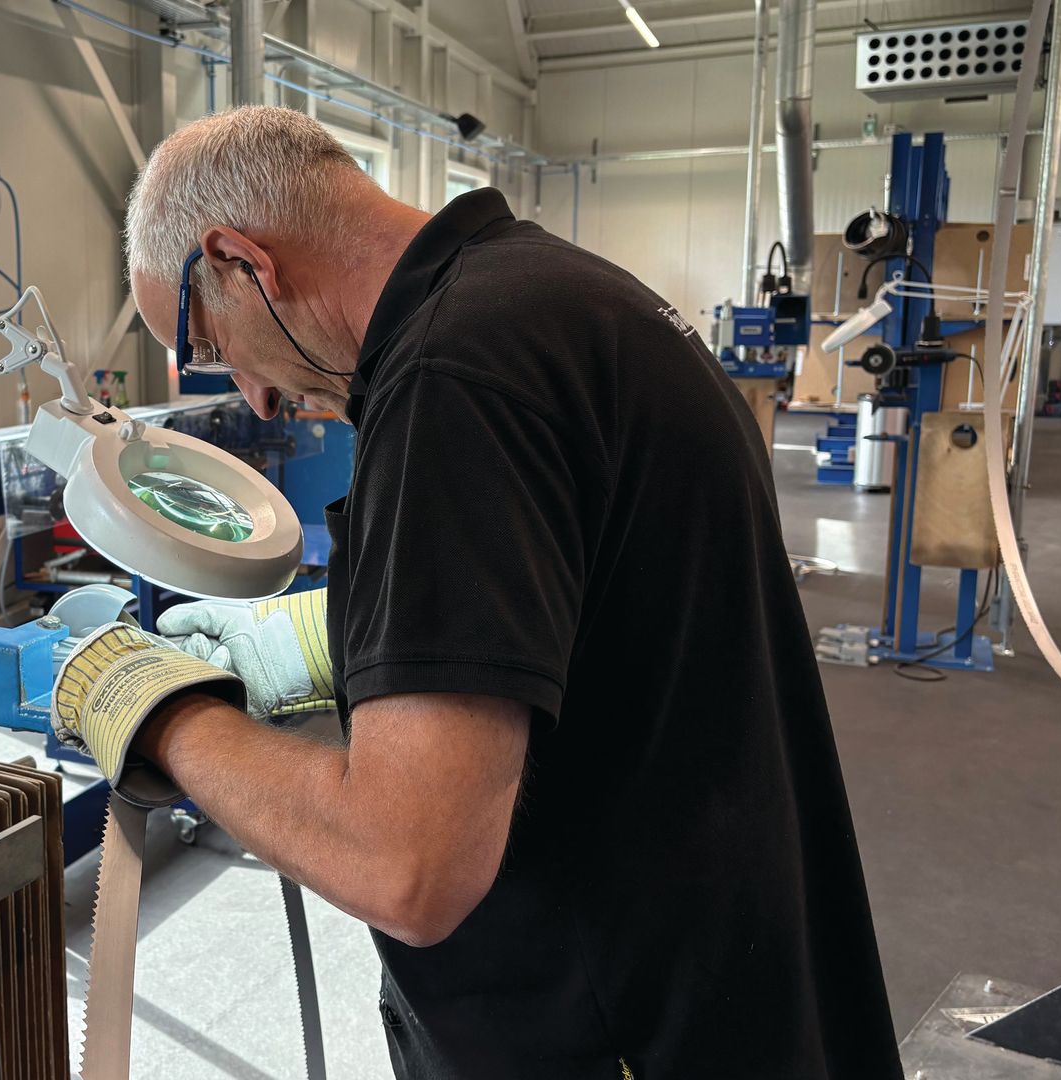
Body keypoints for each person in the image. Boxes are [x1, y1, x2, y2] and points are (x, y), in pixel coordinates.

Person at [49, 105, 903, 1079]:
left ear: (242, 260)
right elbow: (599, 603)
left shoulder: (454, 385)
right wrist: (346, 637)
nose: (252, 396)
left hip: (613, 1026)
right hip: (718, 973)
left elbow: (406, 866)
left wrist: (162, 717)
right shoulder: (559, 301)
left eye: (204, 343)